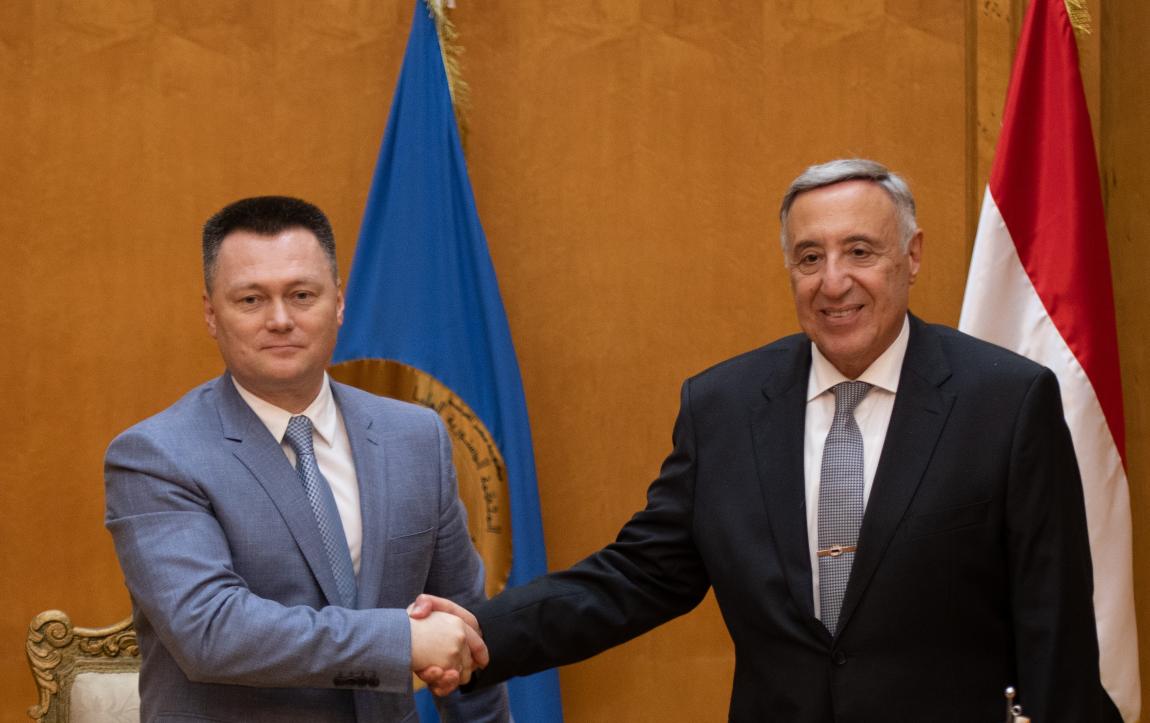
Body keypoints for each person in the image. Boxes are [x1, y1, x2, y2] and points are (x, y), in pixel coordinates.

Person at [411, 159, 1121, 721]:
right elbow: (638, 576)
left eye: (860, 251)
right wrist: (480, 635)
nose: (834, 282)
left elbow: (1053, 620)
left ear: (912, 256)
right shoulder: (723, 407)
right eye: (810, 257)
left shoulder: (1005, 401)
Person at [104, 196, 507, 722]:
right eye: (251, 299)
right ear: (211, 313)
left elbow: (466, 630)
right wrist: (401, 640)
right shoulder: (156, 455)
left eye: (301, 295)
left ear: (338, 302)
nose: (280, 320)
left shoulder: (416, 438)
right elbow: (211, 631)